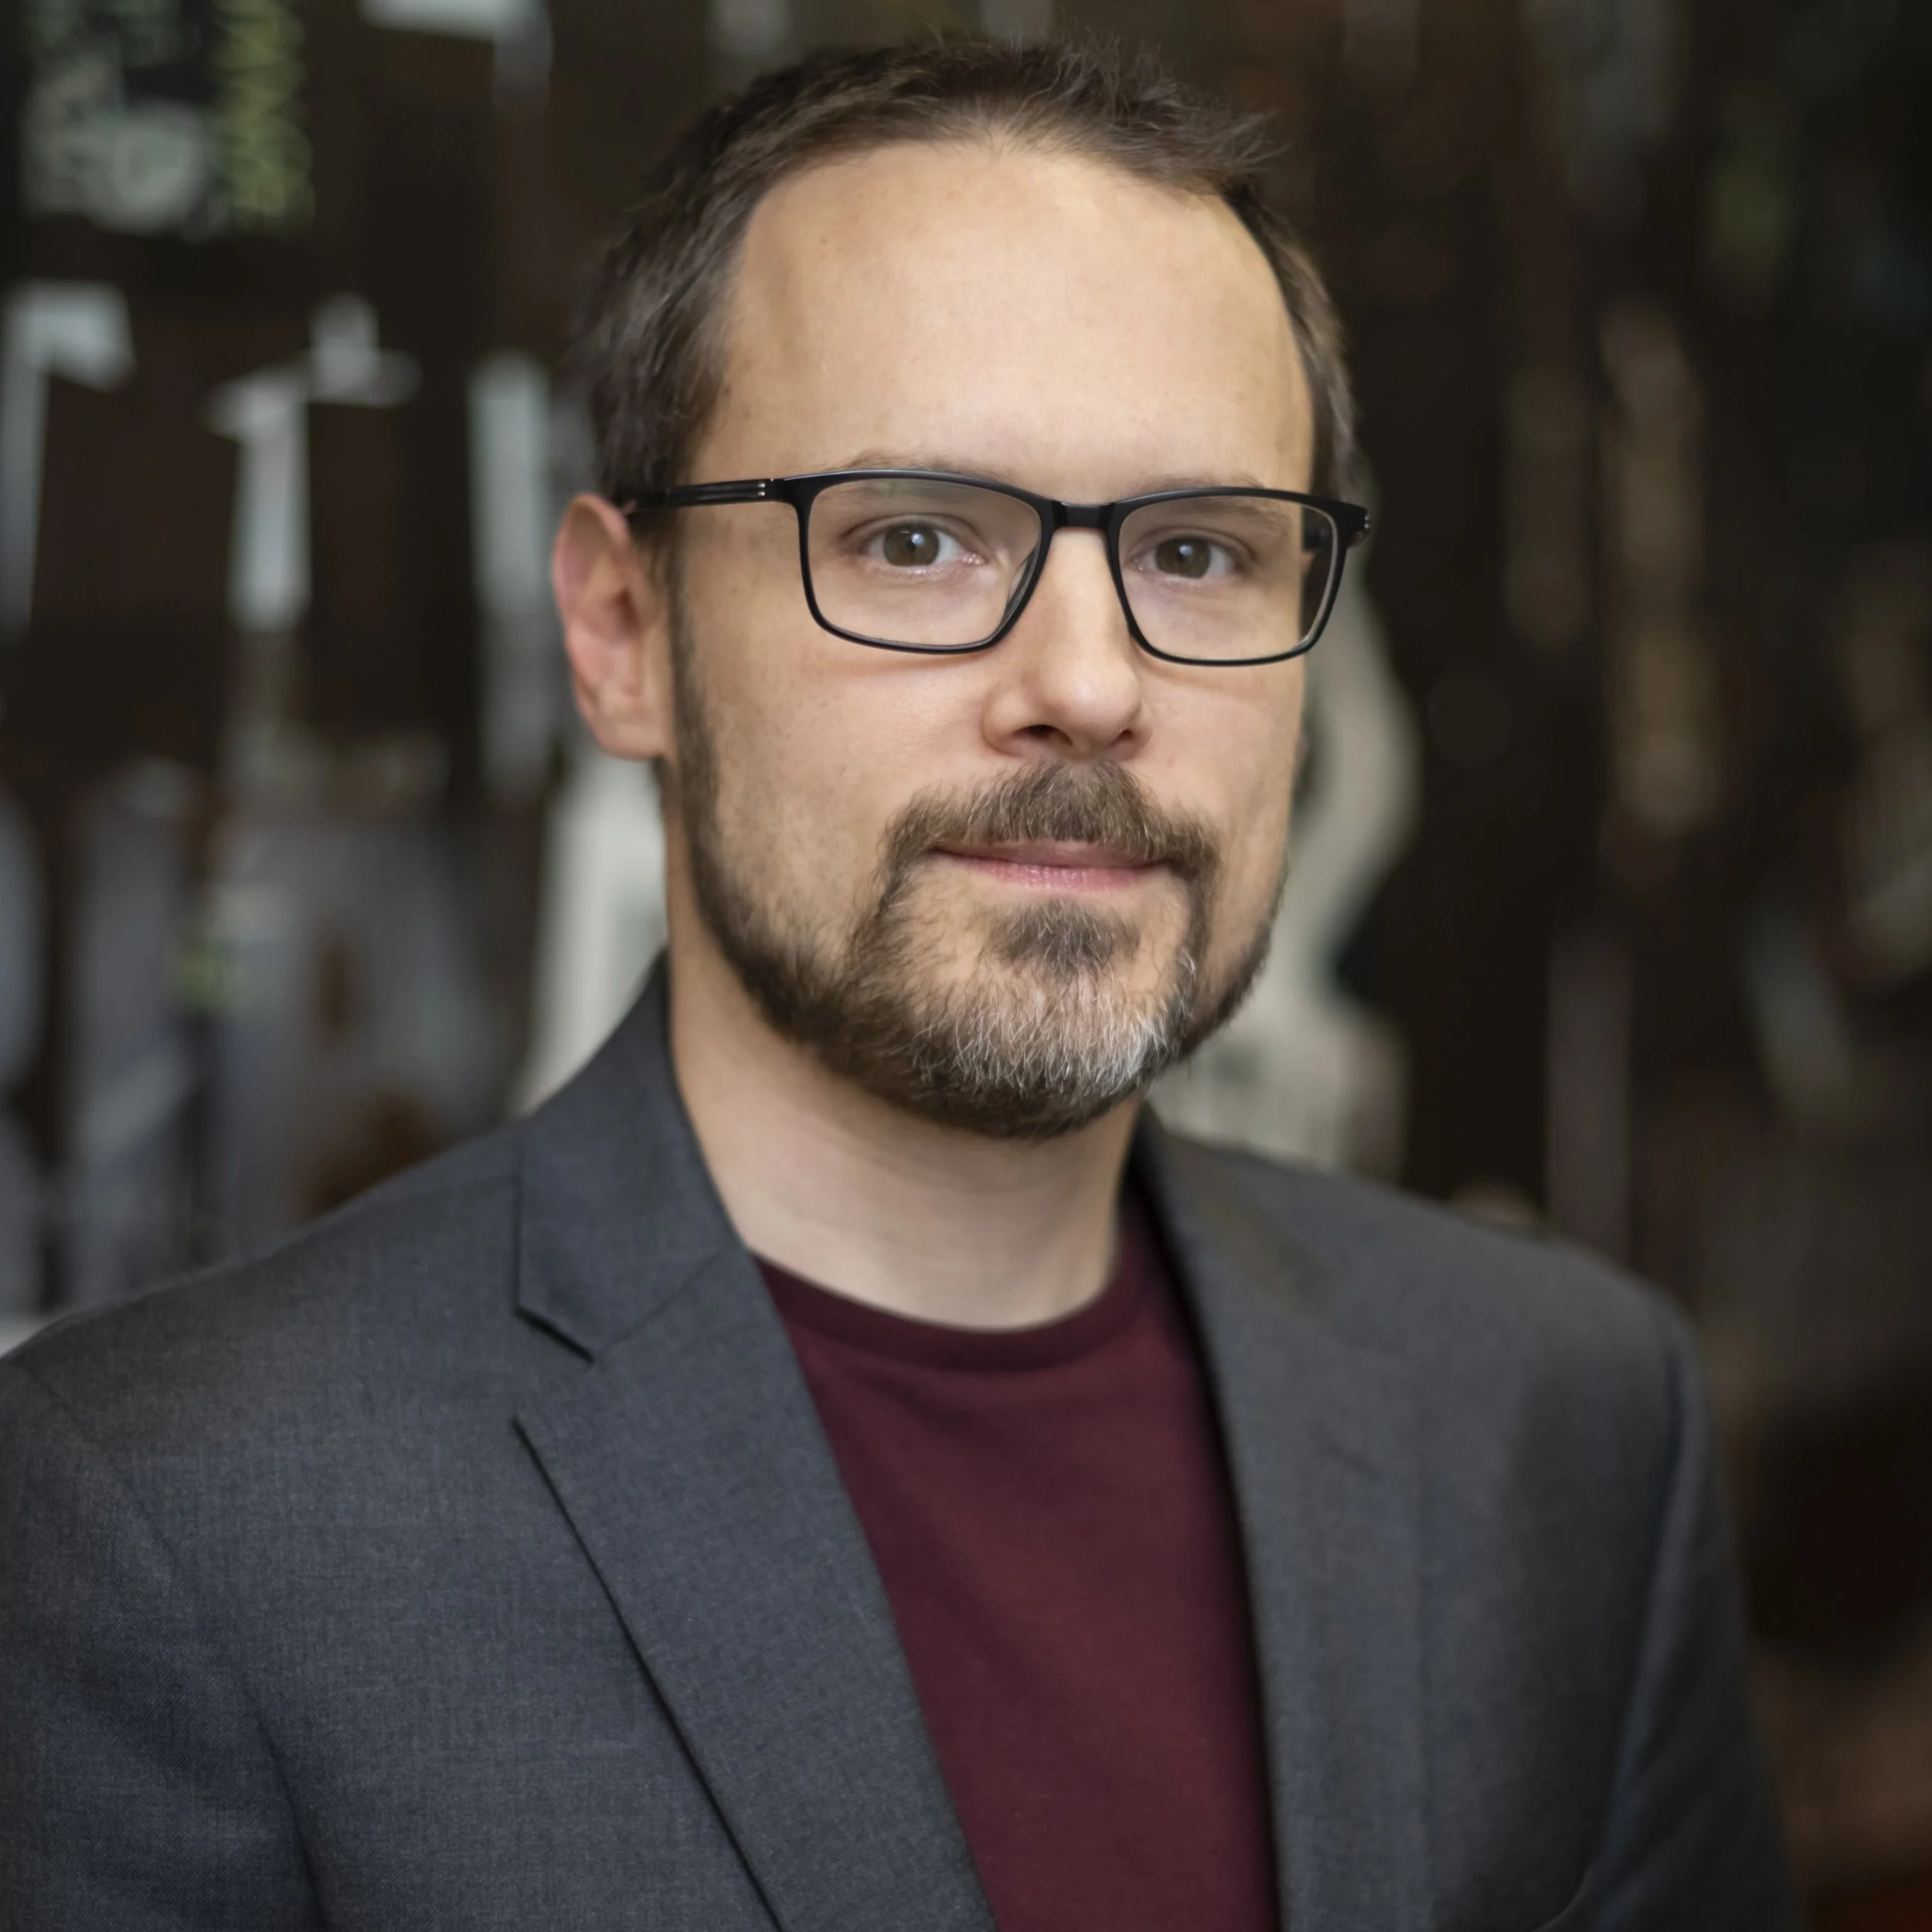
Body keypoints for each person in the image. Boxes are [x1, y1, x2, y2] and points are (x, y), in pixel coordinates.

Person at [0, 38, 1797, 1932]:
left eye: (1197, 551)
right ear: (620, 631)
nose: (1087, 684)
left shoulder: (1565, 1423)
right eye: (915, 538)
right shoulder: (178, 1519)